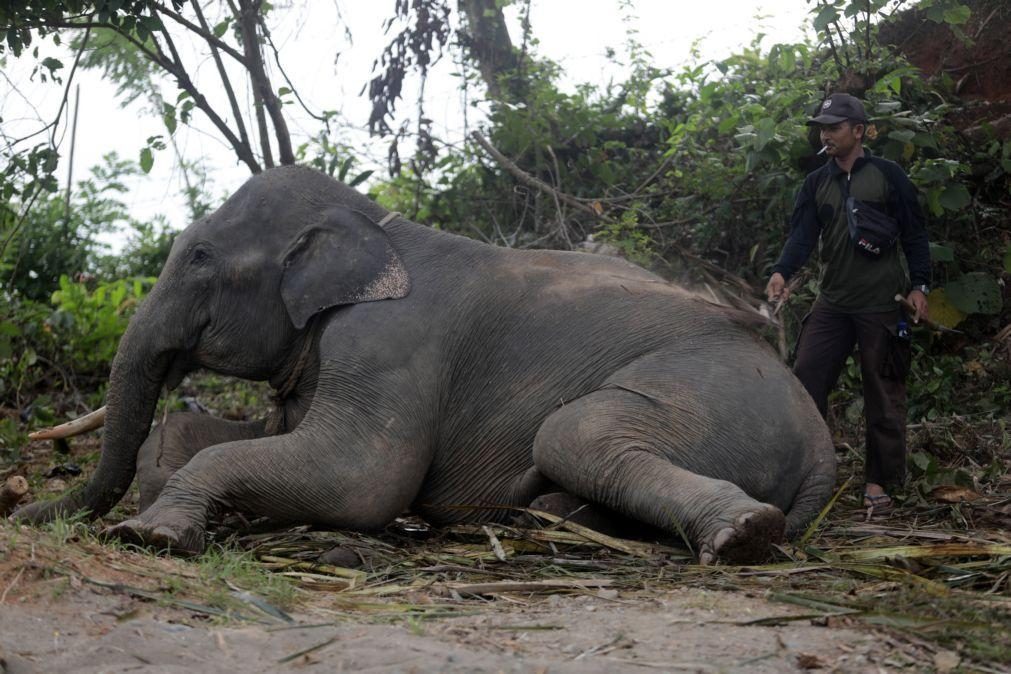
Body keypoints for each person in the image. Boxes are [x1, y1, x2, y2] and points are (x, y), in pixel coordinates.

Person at [765, 92, 930, 516]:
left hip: (881, 304)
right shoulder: (817, 181)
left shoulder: (888, 175)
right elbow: (802, 236)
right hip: (833, 303)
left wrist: (920, 287)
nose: (827, 134)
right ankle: (804, 475)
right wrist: (782, 270)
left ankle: (879, 482)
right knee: (805, 383)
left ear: (858, 131)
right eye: (823, 126)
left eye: (835, 126)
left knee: (883, 392)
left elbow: (914, 234)